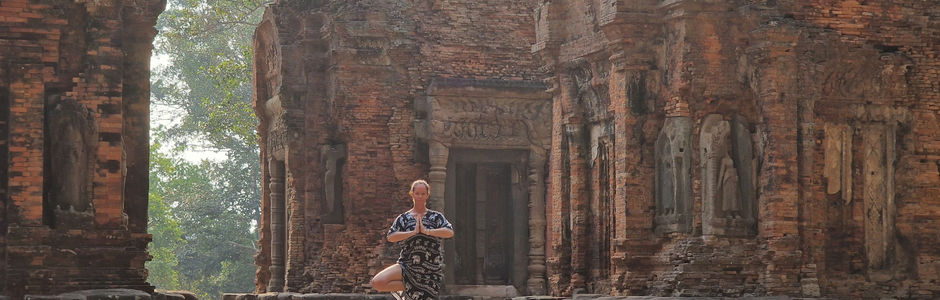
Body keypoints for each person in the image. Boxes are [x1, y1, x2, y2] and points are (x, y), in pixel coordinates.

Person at [371, 180, 454, 300]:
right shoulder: (404, 218)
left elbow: (449, 232)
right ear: (412, 194)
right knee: (378, 282)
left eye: (423, 194)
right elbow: (391, 236)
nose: (420, 196)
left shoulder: (436, 217)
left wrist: (427, 231)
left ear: (427, 195)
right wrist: (412, 232)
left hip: (430, 269)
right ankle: (411, 286)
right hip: (407, 263)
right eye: (417, 193)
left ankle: (415, 286)